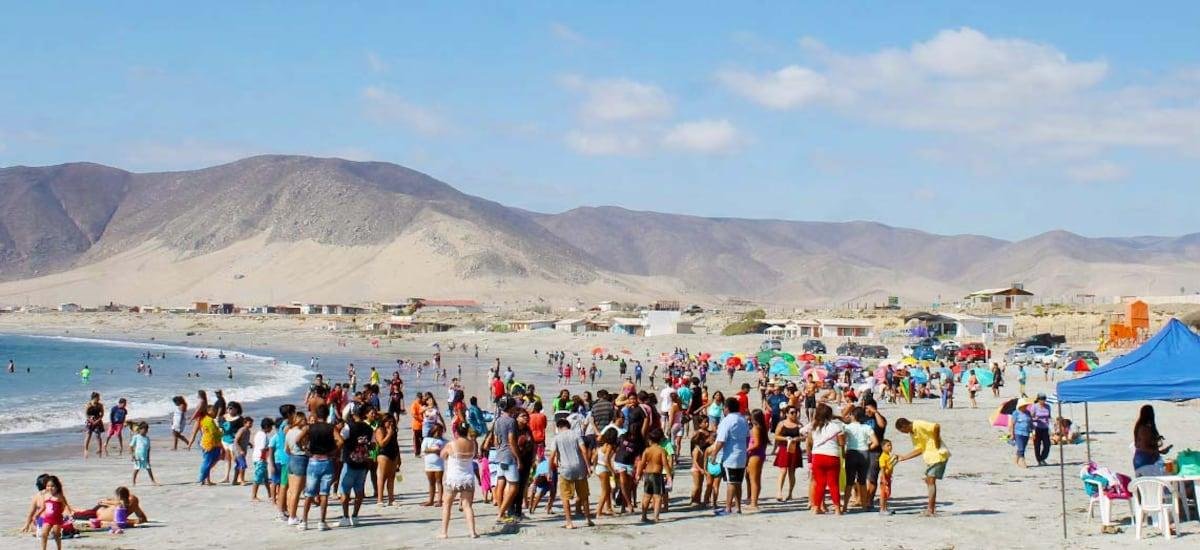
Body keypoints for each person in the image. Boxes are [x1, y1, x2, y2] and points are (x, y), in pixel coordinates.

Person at [895, 417, 951, 516]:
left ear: (904, 426)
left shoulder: (918, 424)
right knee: (929, 481)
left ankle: (931, 510)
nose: (903, 433)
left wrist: (937, 441)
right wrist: (904, 457)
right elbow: (920, 449)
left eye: (902, 430)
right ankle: (931, 509)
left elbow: (936, 426)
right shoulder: (913, 434)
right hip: (930, 458)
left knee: (930, 481)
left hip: (938, 455)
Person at [299, 404, 342, 531]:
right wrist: (333, 452)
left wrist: (305, 449)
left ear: (316, 415)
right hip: (327, 460)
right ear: (328, 415)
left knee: (309, 493)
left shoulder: (309, 427)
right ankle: (322, 522)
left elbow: (297, 439)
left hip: (313, 461)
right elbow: (340, 440)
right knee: (324, 493)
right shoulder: (331, 428)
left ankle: (304, 522)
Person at [707, 397, 747, 516]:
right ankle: (738, 507)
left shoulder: (727, 420)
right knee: (738, 482)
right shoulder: (742, 419)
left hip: (731, 456)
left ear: (727, 408)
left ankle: (728, 508)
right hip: (742, 454)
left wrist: (714, 454)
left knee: (731, 482)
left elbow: (721, 441)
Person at [550, 417, 593, 528]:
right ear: (568, 426)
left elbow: (552, 456)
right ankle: (588, 519)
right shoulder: (576, 435)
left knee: (565, 497)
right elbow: (583, 450)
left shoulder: (557, 438)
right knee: (584, 496)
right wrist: (588, 466)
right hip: (580, 467)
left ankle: (569, 522)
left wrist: (550, 471)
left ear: (558, 427)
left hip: (565, 469)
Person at [439, 422, 479, 539]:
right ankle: (472, 532)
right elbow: (474, 455)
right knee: (467, 506)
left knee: (447, 505)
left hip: (453, 478)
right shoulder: (472, 444)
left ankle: (444, 532)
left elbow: (442, 455)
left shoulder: (451, 444)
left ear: (456, 432)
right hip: (467, 478)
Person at [807, 403, 845, 515]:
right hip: (832, 455)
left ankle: (816, 507)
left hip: (817, 456)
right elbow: (841, 442)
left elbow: (810, 442)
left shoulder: (813, 427)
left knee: (820, 484)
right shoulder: (836, 426)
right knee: (833, 484)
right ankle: (837, 508)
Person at [338, 408, 373, 527]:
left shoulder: (349, 427)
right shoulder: (369, 428)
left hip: (349, 462)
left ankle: (345, 516)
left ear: (353, 415)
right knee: (359, 491)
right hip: (362, 462)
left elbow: (341, 439)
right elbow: (372, 444)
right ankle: (355, 516)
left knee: (345, 490)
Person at [842, 407, 876, 511]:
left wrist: (843, 451)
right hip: (864, 453)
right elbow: (875, 442)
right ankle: (864, 506)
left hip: (851, 452)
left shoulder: (847, 427)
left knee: (849, 482)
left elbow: (842, 440)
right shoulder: (867, 427)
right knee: (862, 481)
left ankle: (845, 506)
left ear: (853, 415)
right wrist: (867, 448)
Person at [636, 426, 671, 523]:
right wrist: (668, 475)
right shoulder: (661, 450)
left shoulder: (647, 450)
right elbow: (665, 464)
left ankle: (643, 516)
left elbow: (642, 463)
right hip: (657, 475)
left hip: (647, 474)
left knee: (647, 495)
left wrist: (638, 475)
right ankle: (656, 517)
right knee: (657, 496)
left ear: (650, 440)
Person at [773, 406, 803, 501]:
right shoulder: (782, 424)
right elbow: (776, 436)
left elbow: (804, 437)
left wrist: (797, 438)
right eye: (792, 412)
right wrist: (786, 438)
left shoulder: (799, 425)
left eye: (796, 412)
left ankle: (790, 493)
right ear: (786, 414)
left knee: (792, 472)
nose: (794, 414)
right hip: (784, 448)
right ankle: (779, 492)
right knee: (783, 470)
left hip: (794, 448)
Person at [1133, 404, 1171, 476]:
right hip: (1144, 459)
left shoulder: (1144, 426)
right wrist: (1160, 451)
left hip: (1145, 458)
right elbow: (1144, 447)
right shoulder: (1144, 428)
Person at [37, 476, 71, 550]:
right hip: (47, 519)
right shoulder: (45, 496)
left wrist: (68, 514)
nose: (50, 488)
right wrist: (37, 514)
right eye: (48, 486)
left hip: (57, 519)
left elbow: (65, 506)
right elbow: (43, 507)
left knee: (56, 535)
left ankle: (59, 548)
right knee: (43, 534)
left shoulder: (60, 496)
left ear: (57, 487)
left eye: (52, 486)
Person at [374, 414, 400, 507]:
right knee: (382, 476)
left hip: (394, 453)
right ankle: (380, 499)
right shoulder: (380, 430)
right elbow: (381, 444)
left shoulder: (394, 430)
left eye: (392, 421)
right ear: (383, 422)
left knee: (392, 477)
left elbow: (396, 443)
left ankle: (391, 499)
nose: (391, 423)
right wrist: (389, 434)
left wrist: (399, 457)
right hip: (383, 454)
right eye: (388, 421)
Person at [746, 409, 767, 510]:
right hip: (760, 454)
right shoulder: (762, 428)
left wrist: (747, 450)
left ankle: (753, 503)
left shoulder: (755, 429)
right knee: (756, 479)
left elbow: (757, 443)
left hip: (755, 455)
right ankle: (754, 501)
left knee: (753, 479)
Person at [422, 423, 447, 506]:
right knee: (431, 482)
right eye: (436, 431)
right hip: (428, 464)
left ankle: (439, 500)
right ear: (432, 431)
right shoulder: (426, 439)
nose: (438, 433)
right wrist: (435, 451)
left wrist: (433, 450)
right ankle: (431, 500)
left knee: (439, 481)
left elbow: (445, 451)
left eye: (440, 431)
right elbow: (424, 450)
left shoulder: (444, 441)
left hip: (439, 464)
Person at [197, 405, 223, 485]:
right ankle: (201, 478)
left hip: (211, 443)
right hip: (210, 444)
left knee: (210, 462)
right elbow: (213, 432)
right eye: (213, 410)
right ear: (208, 411)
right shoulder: (209, 420)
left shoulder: (204, 419)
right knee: (208, 462)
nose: (215, 412)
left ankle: (206, 480)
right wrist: (221, 432)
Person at [250, 417, 275, 501]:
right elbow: (263, 448)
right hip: (261, 458)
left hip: (257, 457)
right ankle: (253, 496)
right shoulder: (263, 436)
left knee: (265, 478)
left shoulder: (258, 433)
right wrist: (271, 449)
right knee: (258, 477)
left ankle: (270, 494)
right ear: (267, 427)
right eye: (271, 427)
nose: (271, 429)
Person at [129, 422, 158, 486]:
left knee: (149, 468)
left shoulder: (147, 438)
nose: (146, 431)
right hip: (138, 456)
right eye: (144, 430)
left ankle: (153, 481)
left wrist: (148, 457)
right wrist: (132, 455)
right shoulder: (136, 437)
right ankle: (133, 481)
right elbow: (131, 446)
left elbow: (148, 448)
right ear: (140, 429)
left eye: (147, 430)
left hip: (145, 455)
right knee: (137, 468)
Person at [1029, 393, 1053, 466]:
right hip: (1037, 428)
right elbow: (1031, 417)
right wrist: (1035, 419)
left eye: (1044, 399)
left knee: (1047, 444)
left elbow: (1049, 416)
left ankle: (1043, 458)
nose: (1043, 401)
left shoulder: (1048, 406)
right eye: (1041, 399)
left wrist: (1051, 421)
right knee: (1037, 445)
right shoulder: (1034, 406)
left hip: (1045, 427)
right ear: (1038, 399)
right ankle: (1039, 460)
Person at [1009, 402, 1032, 468]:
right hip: (1018, 433)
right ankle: (1023, 461)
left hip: (1026, 432)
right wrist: (1012, 434)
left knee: (1022, 448)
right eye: (1024, 405)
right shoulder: (1016, 413)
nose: (1025, 407)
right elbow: (1012, 424)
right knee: (1021, 448)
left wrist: (1032, 430)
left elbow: (1030, 422)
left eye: (1026, 405)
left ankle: (1016, 460)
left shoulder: (1028, 412)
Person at [878, 439, 897, 515]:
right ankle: (882, 509)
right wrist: (884, 479)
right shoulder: (882, 457)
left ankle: (885, 508)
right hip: (884, 477)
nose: (890, 447)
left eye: (890, 445)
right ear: (883, 447)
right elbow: (882, 469)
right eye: (888, 445)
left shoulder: (888, 455)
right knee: (883, 494)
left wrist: (895, 460)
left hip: (888, 476)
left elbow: (890, 465)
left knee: (887, 493)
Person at [84, 392, 104, 458]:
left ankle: (100, 449)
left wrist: (98, 420)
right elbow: (86, 414)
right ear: (94, 398)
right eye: (98, 397)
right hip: (90, 421)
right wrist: (91, 420)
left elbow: (102, 414)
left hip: (97, 421)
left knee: (98, 436)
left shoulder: (100, 405)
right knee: (88, 435)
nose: (99, 399)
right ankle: (86, 449)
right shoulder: (88, 405)